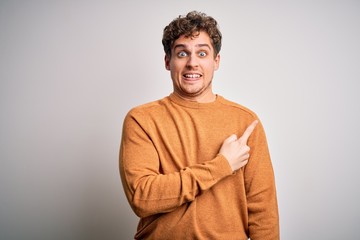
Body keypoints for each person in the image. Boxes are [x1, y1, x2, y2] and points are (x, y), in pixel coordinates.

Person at [119, 11, 279, 240]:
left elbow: (263, 211)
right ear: (168, 61)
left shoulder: (245, 121)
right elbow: (143, 198)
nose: (192, 63)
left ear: (216, 61)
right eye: (182, 53)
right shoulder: (141, 120)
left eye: (202, 53)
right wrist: (222, 165)